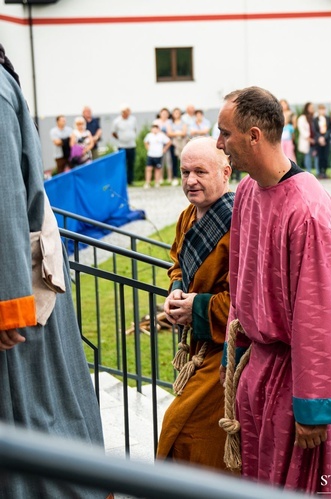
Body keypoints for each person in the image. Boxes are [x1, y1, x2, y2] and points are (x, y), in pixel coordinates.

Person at [216, 86, 331, 494]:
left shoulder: (307, 210)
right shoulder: (245, 192)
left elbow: (320, 314)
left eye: (225, 134)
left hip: (301, 380)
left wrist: (313, 407)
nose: (219, 144)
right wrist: (235, 358)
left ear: (254, 135)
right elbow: (239, 285)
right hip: (260, 372)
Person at [0, 42, 106, 499]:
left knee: (39, 412)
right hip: (15, 276)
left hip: (17, 285)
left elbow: (5, 200)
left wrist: (9, 303)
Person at [156, 137, 234, 470]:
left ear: (226, 172)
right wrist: (176, 290)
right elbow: (176, 262)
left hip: (227, 354)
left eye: (200, 171)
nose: (190, 181)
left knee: (189, 431)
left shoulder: (240, 222)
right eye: (186, 171)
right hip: (199, 346)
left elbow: (247, 299)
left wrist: (197, 308)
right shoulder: (188, 216)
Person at [112, 104, 138, 185]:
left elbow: (134, 129)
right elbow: (114, 132)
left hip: (131, 145)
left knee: (131, 164)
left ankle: (130, 180)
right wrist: (120, 138)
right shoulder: (117, 121)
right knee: (122, 165)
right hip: (122, 146)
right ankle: (122, 181)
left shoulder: (133, 119)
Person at [143, 123, 171, 188]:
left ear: (158, 129)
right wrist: (148, 148)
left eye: (156, 129)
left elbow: (169, 142)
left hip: (158, 155)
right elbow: (145, 142)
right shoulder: (149, 135)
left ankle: (157, 182)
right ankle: (147, 182)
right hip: (150, 154)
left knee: (157, 169)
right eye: (153, 129)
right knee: (148, 168)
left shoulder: (161, 135)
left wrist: (164, 149)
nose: (154, 130)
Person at [167, 108, 189, 186]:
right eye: (175, 112)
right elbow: (169, 133)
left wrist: (175, 133)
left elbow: (184, 133)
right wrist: (178, 133)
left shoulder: (184, 122)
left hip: (182, 143)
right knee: (174, 161)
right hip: (174, 144)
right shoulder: (170, 123)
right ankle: (175, 177)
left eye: (178, 112)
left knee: (183, 161)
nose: (176, 114)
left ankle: (184, 177)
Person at [313, 103, 331, 178]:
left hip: (326, 139)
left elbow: (330, 129)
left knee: (326, 156)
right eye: (320, 109)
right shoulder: (315, 119)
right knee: (320, 156)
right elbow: (315, 130)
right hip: (319, 140)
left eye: (323, 109)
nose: (322, 111)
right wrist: (320, 138)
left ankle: (325, 171)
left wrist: (324, 137)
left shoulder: (327, 118)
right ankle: (320, 171)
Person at [296, 102, 315, 174]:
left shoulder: (315, 117)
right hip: (307, 140)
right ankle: (308, 171)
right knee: (308, 156)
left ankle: (318, 172)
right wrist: (308, 138)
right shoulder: (302, 118)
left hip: (315, 139)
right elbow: (301, 129)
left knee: (316, 156)